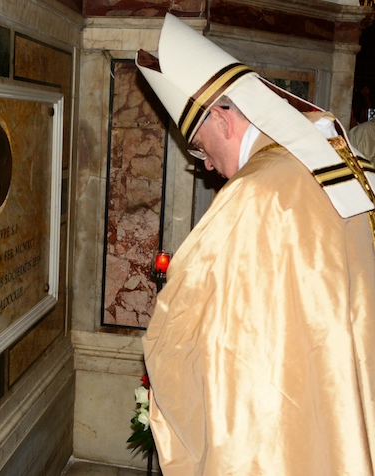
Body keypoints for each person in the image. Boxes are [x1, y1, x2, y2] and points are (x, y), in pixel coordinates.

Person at [136, 13, 375, 475]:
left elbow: (195, 331)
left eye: (201, 148)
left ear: (223, 119)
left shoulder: (257, 191)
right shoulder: (343, 159)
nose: (207, 166)